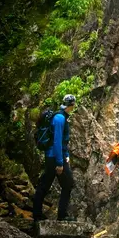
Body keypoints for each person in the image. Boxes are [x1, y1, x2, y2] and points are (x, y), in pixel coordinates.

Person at [33, 94, 76, 222]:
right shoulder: (59, 118)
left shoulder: (60, 117)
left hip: (54, 156)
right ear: (71, 105)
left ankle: (37, 215)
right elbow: (57, 141)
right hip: (54, 157)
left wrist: (66, 155)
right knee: (67, 184)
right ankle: (61, 215)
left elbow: (62, 142)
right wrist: (60, 162)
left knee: (45, 185)